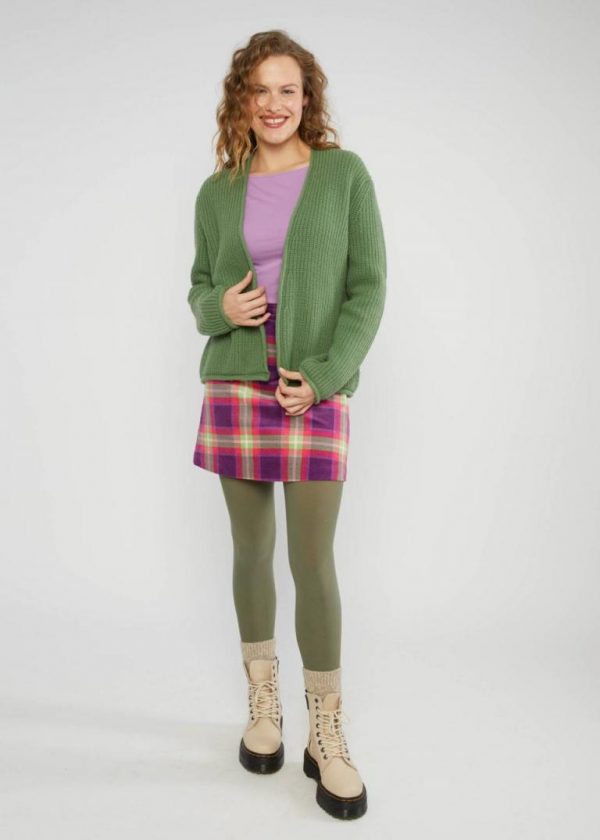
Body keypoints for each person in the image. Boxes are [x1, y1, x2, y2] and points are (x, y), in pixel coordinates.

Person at [187, 30, 386, 820]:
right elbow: (199, 288)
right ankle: (263, 707)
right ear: (242, 98)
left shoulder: (343, 174)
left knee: (312, 560)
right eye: (261, 89)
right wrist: (220, 308)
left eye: (289, 90)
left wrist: (328, 376)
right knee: (250, 550)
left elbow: (368, 288)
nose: (274, 104)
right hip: (237, 383)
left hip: (312, 385)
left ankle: (326, 733)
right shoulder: (216, 192)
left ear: (309, 100)